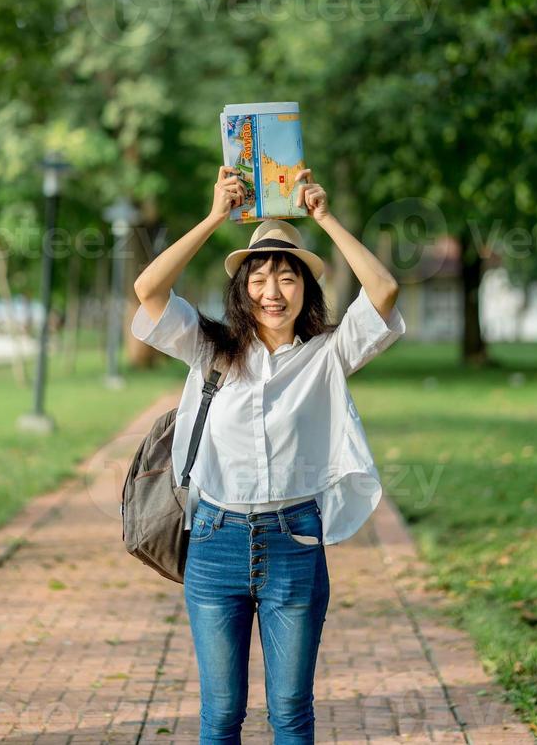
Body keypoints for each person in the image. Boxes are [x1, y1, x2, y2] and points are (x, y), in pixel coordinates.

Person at [131, 165, 406, 744]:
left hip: (294, 541)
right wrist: (213, 218)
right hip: (213, 540)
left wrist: (324, 217)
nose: (272, 292)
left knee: (290, 713)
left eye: (287, 278)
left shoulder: (330, 354)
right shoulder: (209, 347)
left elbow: (382, 291)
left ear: (306, 287)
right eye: (259, 278)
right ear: (241, 287)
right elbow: (149, 291)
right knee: (221, 715)